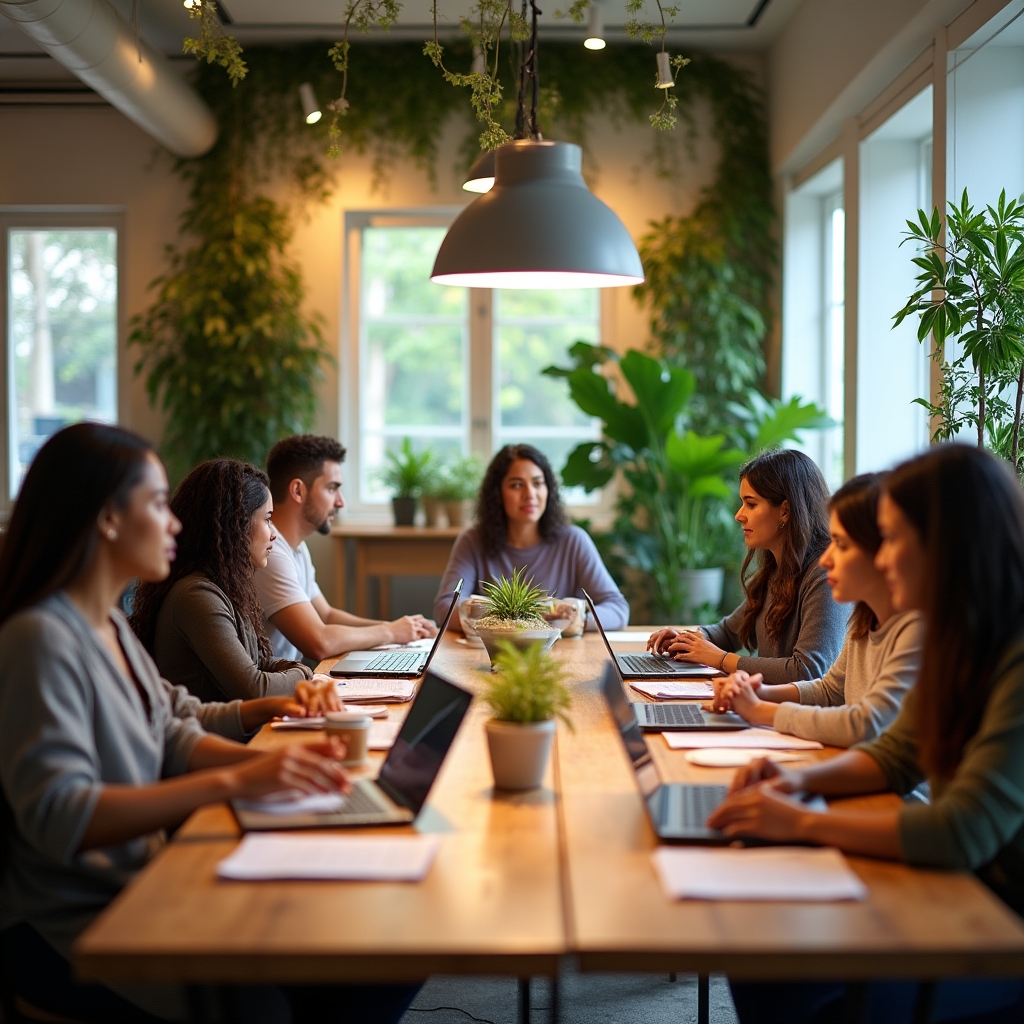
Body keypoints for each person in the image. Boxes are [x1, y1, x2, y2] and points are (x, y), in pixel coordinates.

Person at [0, 424, 418, 1023]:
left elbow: (174, 725)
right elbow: (60, 814)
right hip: (79, 925)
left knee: (368, 938)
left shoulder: (106, 625)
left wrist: (274, 764)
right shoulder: (41, 639)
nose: (173, 523)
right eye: (154, 503)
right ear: (106, 520)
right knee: (343, 966)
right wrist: (236, 782)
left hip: (144, 880)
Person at [708, 444, 1024, 1024]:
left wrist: (803, 820)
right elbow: (895, 755)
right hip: (957, 892)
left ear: (949, 546)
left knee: (782, 972)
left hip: (996, 923)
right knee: (759, 948)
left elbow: (963, 831)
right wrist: (796, 782)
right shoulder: (960, 634)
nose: (880, 557)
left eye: (892, 539)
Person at [708, 473, 922, 747]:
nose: (828, 557)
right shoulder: (863, 620)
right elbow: (830, 690)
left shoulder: (916, 629)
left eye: (841, 544)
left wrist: (759, 709)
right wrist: (760, 692)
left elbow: (865, 725)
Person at [131, 459, 337, 706]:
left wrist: (301, 672)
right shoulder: (197, 595)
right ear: (236, 524)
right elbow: (255, 689)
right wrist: (307, 675)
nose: (273, 533)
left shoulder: (225, 586)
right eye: (267, 519)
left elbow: (260, 661)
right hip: (216, 737)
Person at [648, 448, 849, 683]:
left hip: (796, 716)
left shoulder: (825, 575)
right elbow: (727, 632)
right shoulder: (777, 569)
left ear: (785, 510)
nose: (739, 515)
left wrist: (722, 659)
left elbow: (807, 670)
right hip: (771, 709)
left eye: (750, 504)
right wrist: (688, 640)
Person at [257, 434, 437, 662]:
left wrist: (403, 628)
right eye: (332, 489)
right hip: (275, 692)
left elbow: (326, 616)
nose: (340, 502)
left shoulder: (296, 548)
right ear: (298, 491)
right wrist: (390, 632)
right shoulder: (271, 552)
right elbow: (319, 642)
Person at [433, 443, 629, 629]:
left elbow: (617, 608)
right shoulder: (473, 541)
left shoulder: (574, 541)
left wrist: (574, 619)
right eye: (517, 485)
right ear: (497, 493)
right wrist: (510, 621)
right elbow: (445, 608)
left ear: (548, 489)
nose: (530, 494)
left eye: (537, 483)